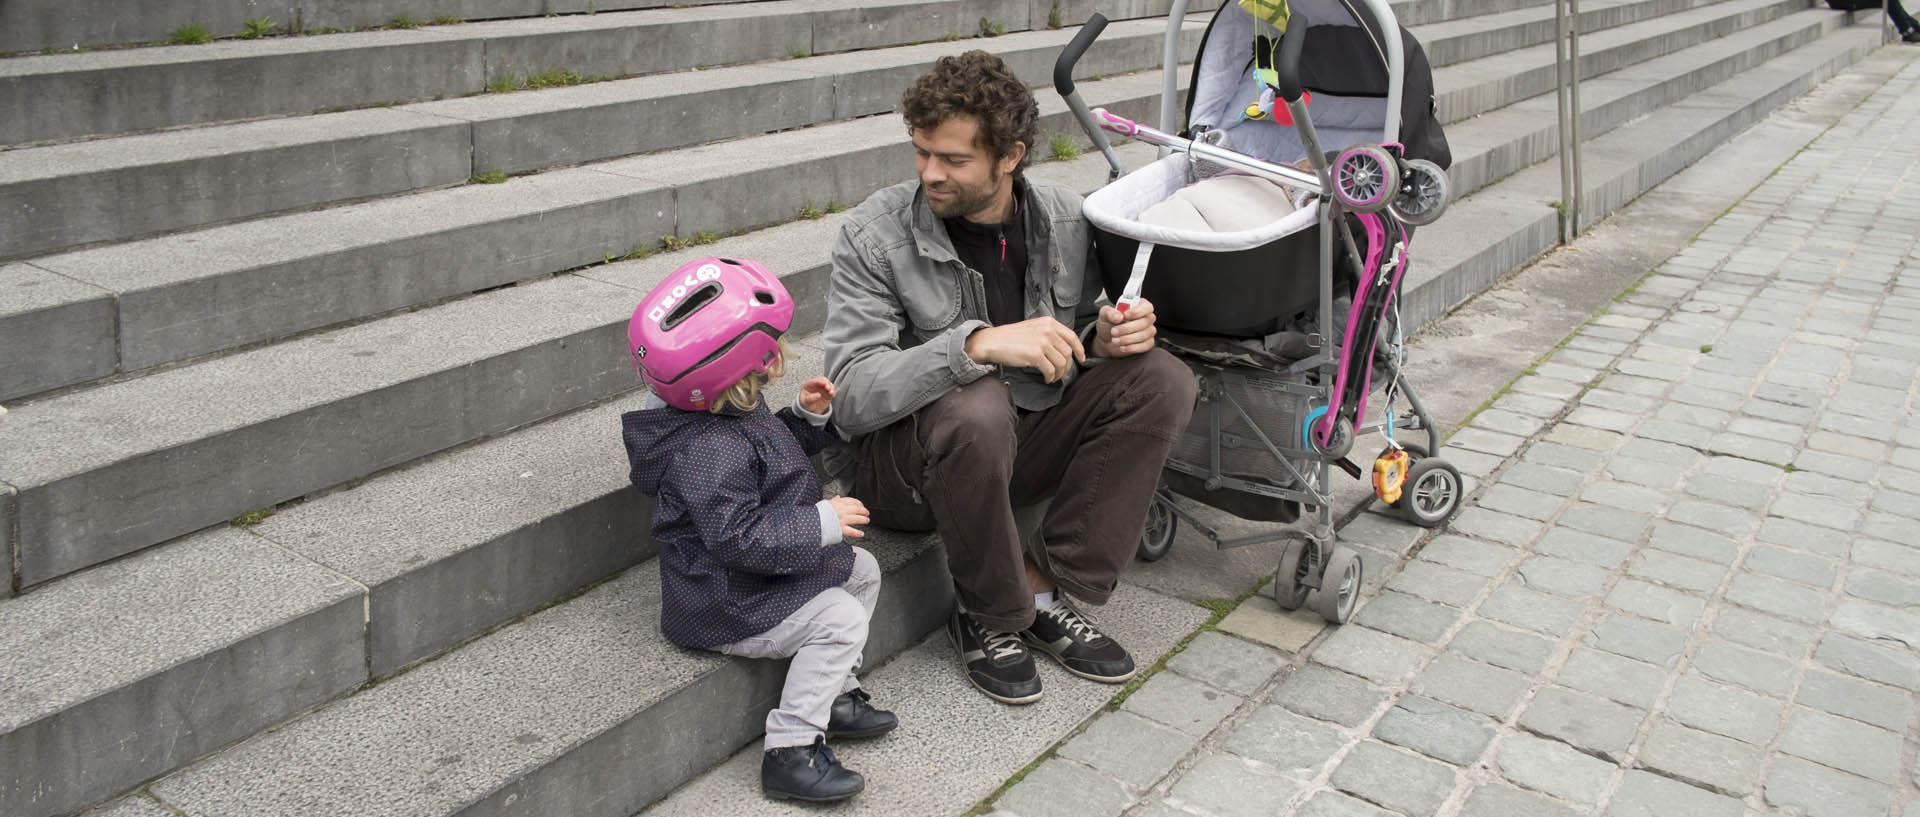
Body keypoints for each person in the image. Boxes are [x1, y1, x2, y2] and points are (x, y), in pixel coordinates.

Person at [821, 51, 1199, 705]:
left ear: (1010, 155)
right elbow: (850, 395)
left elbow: (1076, 336)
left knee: (1161, 378)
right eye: (922, 152)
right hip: (909, 470)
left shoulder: (1067, 217)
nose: (929, 172)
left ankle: (1038, 583)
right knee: (976, 403)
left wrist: (1104, 339)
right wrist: (974, 343)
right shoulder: (873, 236)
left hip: (1019, 441)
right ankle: (989, 612)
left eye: (953, 159)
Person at [621, 256, 898, 803]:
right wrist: (819, 521)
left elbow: (766, 454)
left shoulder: (719, 410)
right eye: (765, 363)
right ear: (730, 374)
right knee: (840, 615)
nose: (775, 366)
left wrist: (802, 416)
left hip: (748, 577)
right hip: (722, 601)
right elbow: (737, 536)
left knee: (861, 570)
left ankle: (834, 695)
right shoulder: (706, 447)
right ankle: (791, 751)